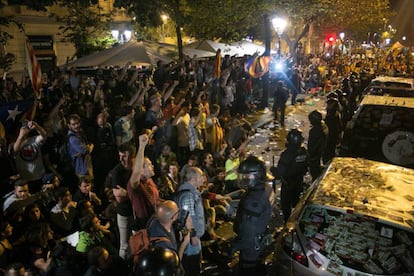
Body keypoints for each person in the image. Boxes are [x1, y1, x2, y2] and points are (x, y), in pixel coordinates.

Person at [232, 155, 272, 275]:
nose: (243, 178)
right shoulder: (258, 191)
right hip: (257, 243)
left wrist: (235, 245)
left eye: (247, 175)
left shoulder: (253, 201)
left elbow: (248, 230)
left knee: (248, 270)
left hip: (250, 247)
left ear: (257, 175)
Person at [271, 129, 309, 222]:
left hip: (288, 184)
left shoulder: (287, 154)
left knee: (286, 205)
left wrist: (273, 170)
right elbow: (307, 165)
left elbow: (280, 172)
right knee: (296, 202)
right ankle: (297, 219)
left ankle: (288, 222)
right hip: (299, 181)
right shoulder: (303, 152)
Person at [174, 166, 206, 276]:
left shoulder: (191, 192)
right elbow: (188, 217)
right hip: (191, 242)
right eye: (201, 176)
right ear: (193, 179)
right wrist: (194, 237)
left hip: (192, 238)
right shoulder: (188, 195)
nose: (203, 178)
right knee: (192, 267)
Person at [128, 133, 160, 230]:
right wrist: (142, 146)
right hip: (144, 226)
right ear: (141, 169)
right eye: (149, 165)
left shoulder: (149, 181)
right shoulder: (135, 185)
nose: (153, 166)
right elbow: (136, 172)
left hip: (155, 221)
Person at [11, 120, 47, 192]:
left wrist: (37, 127)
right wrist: (20, 136)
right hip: (26, 181)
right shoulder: (12, 145)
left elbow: (44, 135)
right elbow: (14, 151)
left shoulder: (33, 140)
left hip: (40, 176)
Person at [67, 114, 94, 179]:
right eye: (73, 124)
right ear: (69, 125)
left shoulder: (79, 133)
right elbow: (86, 150)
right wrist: (90, 147)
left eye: (77, 123)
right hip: (82, 170)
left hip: (86, 166)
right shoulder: (72, 138)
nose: (76, 126)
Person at [307, 110, 328, 181]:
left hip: (314, 155)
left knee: (314, 171)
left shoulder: (315, 131)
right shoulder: (323, 127)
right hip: (319, 153)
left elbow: (312, 146)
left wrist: (310, 155)